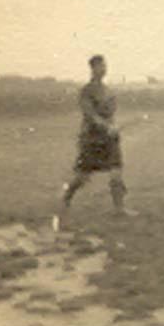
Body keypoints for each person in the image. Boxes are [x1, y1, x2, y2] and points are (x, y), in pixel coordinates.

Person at [59, 55, 136, 225]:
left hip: (109, 139)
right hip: (92, 139)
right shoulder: (86, 90)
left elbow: (111, 114)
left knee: (116, 172)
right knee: (82, 177)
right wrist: (105, 126)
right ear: (92, 68)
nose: (103, 69)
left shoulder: (108, 90)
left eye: (105, 66)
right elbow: (90, 114)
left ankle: (119, 209)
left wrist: (113, 127)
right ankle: (66, 198)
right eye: (100, 66)